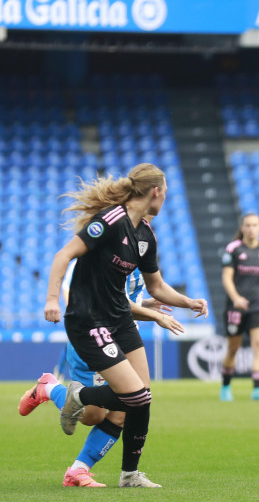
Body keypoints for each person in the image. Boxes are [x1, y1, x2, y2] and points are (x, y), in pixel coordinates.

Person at [42, 163, 209, 488]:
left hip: (119, 319)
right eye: (165, 194)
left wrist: (188, 302)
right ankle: (61, 392)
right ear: (156, 192)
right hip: (88, 319)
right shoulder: (109, 221)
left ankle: (128, 474)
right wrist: (51, 299)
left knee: (140, 399)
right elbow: (63, 256)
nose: (165, 200)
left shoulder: (145, 235)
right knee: (132, 398)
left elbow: (157, 287)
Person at [20, 261, 178, 487]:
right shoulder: (88, 258)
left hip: (121, 341)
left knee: (126, 408)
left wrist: (143, 305)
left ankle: (78, 470)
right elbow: (83, 302)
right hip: (92, 341)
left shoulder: (132, 254)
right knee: (91, 416)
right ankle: (49, 388)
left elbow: (122, 302)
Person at [220, 212, 259, 402]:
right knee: (233, 348)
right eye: (247, 225)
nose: (251, 229)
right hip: (235, 308)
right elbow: (226, 278)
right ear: (242, 228)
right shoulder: (233, 249)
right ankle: (225, 385)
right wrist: (236, 297)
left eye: (255, 225)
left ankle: (258, 388)